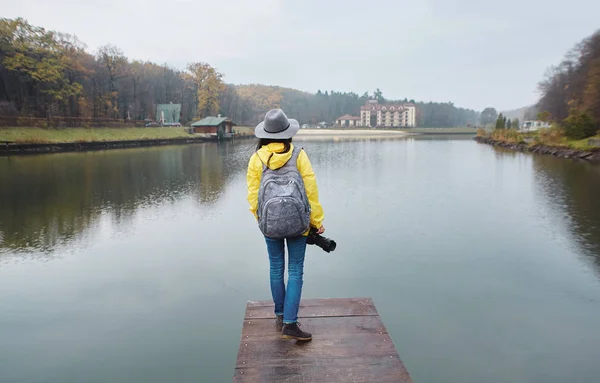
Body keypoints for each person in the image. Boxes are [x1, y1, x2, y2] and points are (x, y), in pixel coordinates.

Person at [247, 109, 325, 341]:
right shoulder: (298, 155)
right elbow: (310, 191)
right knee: (295, 270)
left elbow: (253, 196)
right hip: (299, 223)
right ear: (288, 134)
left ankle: (280, 315)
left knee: (275, 268)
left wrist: (261, 221)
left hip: (269, 223)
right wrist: (316, 221)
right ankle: (290, 324)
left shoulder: (256, 159)